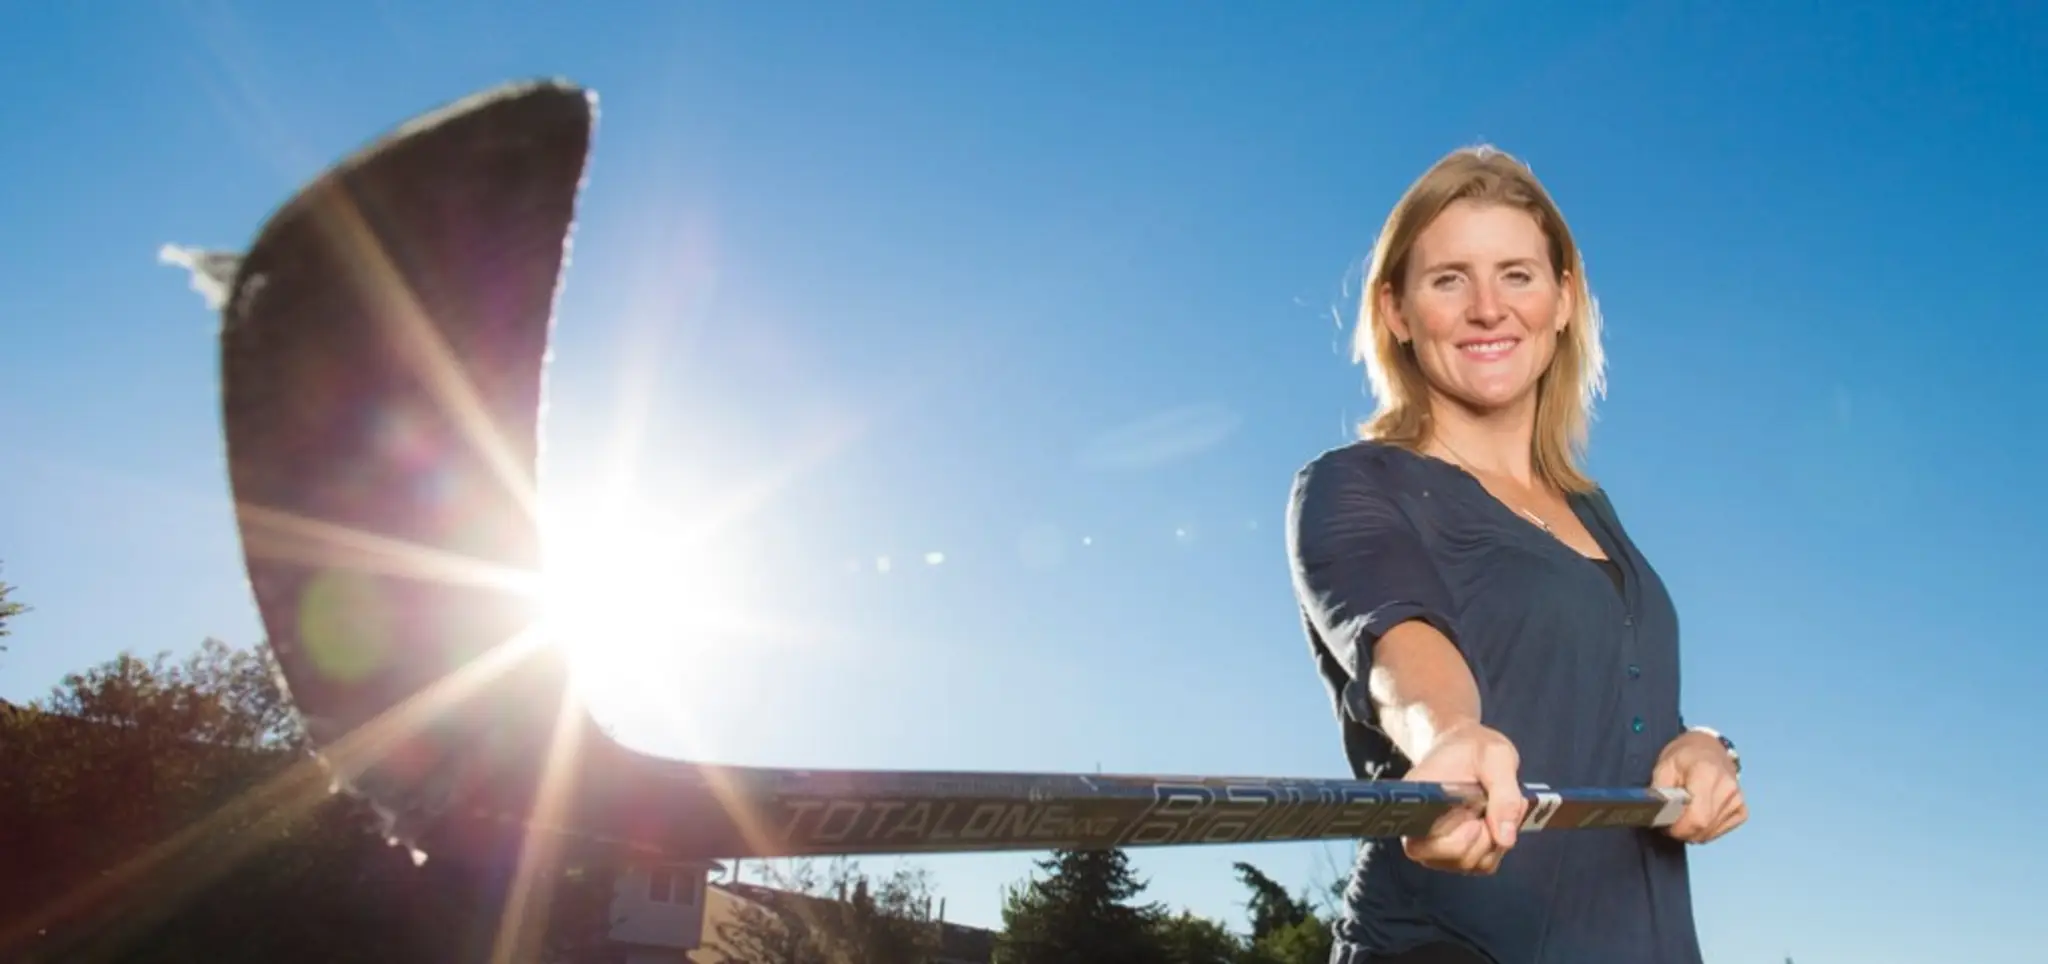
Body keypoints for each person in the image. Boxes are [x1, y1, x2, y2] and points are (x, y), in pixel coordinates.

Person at [1284, 146, 1747, 964]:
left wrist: (1703, 746)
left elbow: (1619, 706)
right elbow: (1398, 640)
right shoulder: (1355, 487)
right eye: (1449, 279)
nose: (1488, 308)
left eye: (1518, 276)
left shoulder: (1594, 516)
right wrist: (1448, 733)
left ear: (1564, 300)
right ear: (1395, 310)